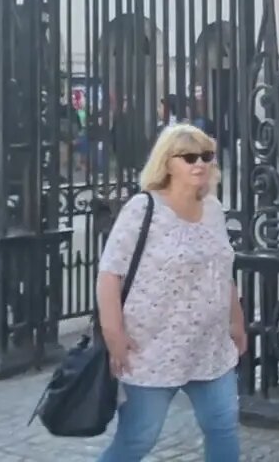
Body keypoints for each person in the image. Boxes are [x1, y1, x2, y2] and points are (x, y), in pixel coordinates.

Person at [95, 123, 246, 462]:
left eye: (206, 156)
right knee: (138, 439)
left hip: (210, 348)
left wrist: (237, 320)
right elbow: (110, 274)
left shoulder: (213, 210)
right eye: (189, 157)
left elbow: (223, 271)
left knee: (223, 427)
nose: (200, 164)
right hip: (153, 349)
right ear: (167, 163)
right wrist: (113, 334)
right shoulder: (142, 209)